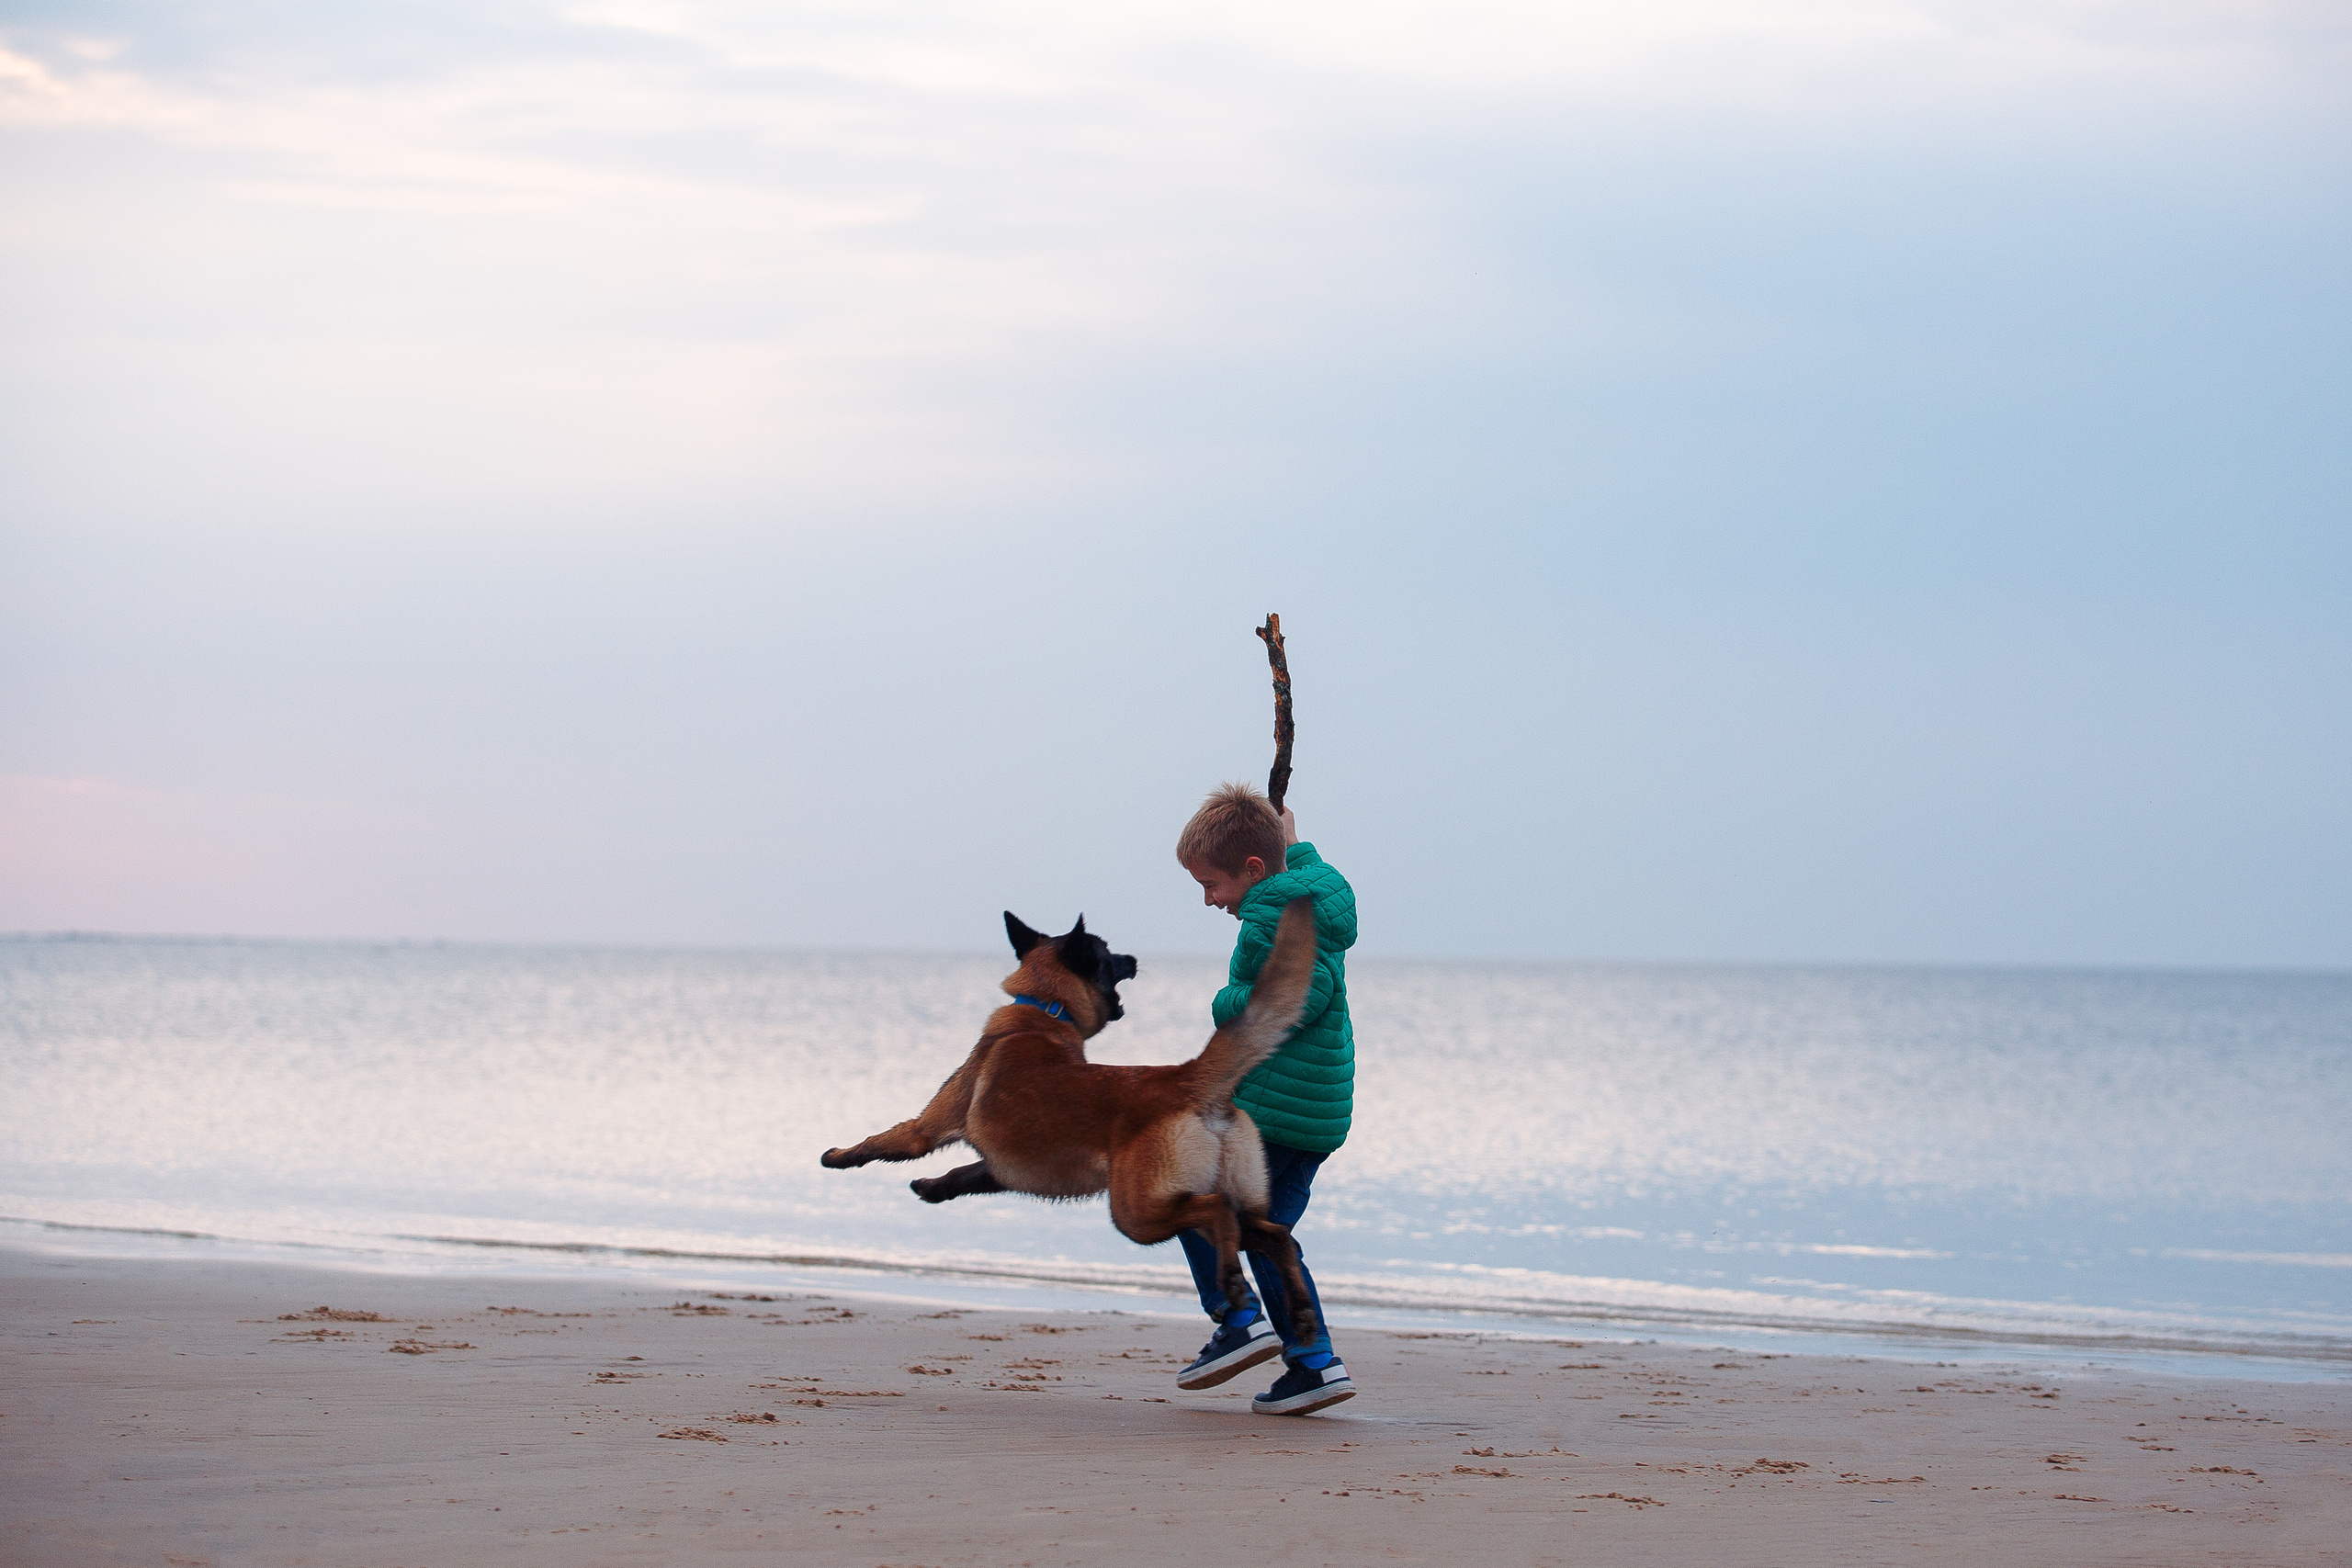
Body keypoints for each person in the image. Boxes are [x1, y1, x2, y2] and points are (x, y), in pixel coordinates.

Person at [1171, 781, 1359, 1416]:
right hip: (1309, 1114)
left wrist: (1226, 1003)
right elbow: (1307, 878)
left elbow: (1290, 1001)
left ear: (1253, 870)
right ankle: (1312, 1361)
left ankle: (1238, 1319)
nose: (1209, 899)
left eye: (1212, 884)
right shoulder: (1309, 899)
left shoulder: (1268, 921)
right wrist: (1294, 838)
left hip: (1278, 1115)